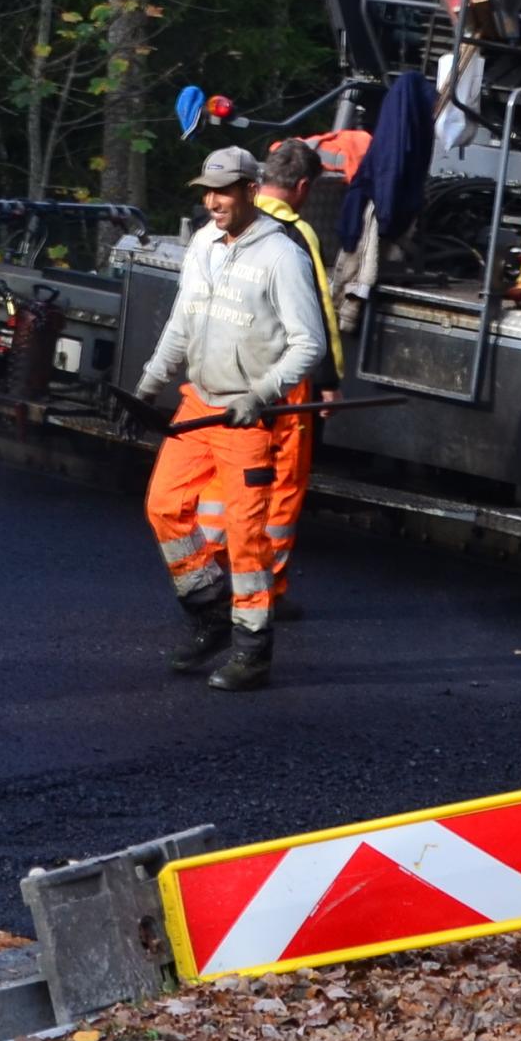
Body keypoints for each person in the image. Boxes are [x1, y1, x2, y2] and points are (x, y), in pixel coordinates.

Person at [138, 145, 328, 693]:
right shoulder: (202, 242)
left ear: (250, 190)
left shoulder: (282, 256)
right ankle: (210, 610)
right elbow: (182, 321)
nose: (214, 202)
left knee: (246, 535)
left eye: (224, 191)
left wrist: (261, 394)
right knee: (164, 506)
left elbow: (309, 345)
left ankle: (252, 651)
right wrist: (149, 384)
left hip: (246, 416)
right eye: (208, 192)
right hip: (198, 402)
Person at [250, 139, 346, 613]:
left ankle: (219, 577)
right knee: (282, 483)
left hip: (231, 371)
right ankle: (265, 590)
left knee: (232, 481)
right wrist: (328, 379)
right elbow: (317, 314)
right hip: (284, 380)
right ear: (304, 187)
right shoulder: (295, 233)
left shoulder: (229, 220)